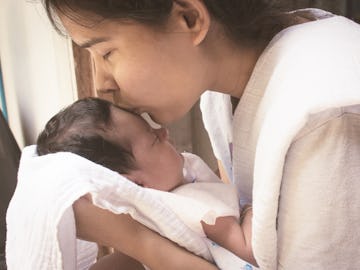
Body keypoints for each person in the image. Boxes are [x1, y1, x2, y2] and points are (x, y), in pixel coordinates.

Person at [41, 0, 360, 269]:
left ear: (189, 19)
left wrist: (134, 238)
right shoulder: (220, 93)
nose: (101, 84)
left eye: (106, 53)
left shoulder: (326, 115)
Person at [36, 97, 257, 267]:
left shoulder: (152, 217)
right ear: (136, 184)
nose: (163, 131)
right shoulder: (194, 207)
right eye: (152, 138)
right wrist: (249, 207)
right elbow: (249, 249)